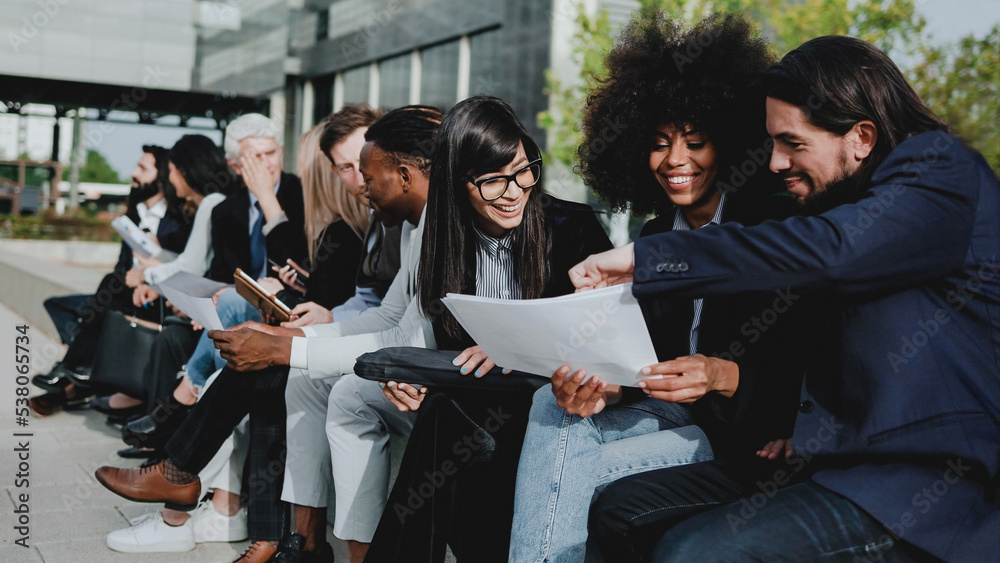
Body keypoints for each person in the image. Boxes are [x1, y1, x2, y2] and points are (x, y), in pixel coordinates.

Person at [571, 35, 999, 562]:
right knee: (621, 508)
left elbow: (836, 253)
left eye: (791, 143)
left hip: (928, 486)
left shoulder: (941, 170)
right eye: (772, 143)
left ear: (861, 136)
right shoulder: (840, 203)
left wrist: (648, 260)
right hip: (827, 461)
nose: (774, 163)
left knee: (695, 554)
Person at [509, 12, 818, 563]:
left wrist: (723, 376)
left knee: (559, 476)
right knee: (552, 410)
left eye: (696, 141)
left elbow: (806, 362)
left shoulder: (770, 232)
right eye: (658, 144)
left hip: (742, 434)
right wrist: (603, 390)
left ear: (728, 143)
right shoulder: (654, 234)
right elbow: (641, 362)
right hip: (667, 417)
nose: (675, 160)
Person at [95, 106, 443, 563]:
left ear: (403, 170)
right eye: (345, 167)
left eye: (364, 167)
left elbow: (401, 331)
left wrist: (289, 346)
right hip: (373, 341)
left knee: (288, 369)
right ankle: (298, 541)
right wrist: (289, 340)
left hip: (431, 377)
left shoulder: (412, 221)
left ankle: (191, 476)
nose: (358, 179)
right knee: (269, 353)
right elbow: (388, 316)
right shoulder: (409, 224)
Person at [360, 95, 614, 563]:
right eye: (494, 180)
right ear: (458, 183)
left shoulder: (572, 229)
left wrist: (514, 348)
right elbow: (453, 352)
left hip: (561, 405)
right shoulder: (442, 244)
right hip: (478, 408)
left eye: (523, 170)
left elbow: (605, 345)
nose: (515, 191)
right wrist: (414, 380)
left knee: (450, 424)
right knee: (442, 410)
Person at [103, 135, 250, 553]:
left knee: (215, 359)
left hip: (253, 317)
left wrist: (154, 277)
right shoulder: (231, 205)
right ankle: (220, 508)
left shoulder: (220, 204)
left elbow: (204, 268)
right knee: (221, 361)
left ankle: (173, 490)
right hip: (236, 311)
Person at [30, 144, 191, 414]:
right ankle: (84, 374)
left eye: (142, 168)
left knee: (107, 292)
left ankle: (71, 375)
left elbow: (187, 269)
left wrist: (147, 281)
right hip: (126, 294)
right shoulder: (131, 216)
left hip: (155, 302)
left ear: (162, 177)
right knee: (60, 306)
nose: (133, 174)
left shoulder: (179, 220)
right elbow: (122, 267)